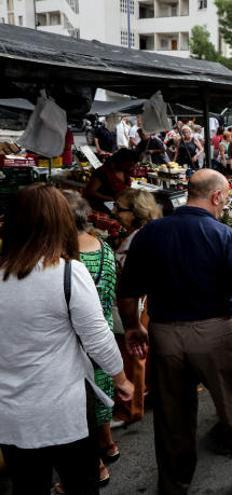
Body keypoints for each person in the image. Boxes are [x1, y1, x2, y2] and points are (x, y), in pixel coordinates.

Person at [118, 169, 232, 495]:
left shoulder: (149, 233)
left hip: (165, 333)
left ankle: (175, 485)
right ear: (216, 196)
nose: (225, 203)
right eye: (225, 198)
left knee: (173, 417)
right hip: (215, 333)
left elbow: (127, 292)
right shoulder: (222, 235)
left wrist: (132, 328)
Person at [0, 184, 133, 495]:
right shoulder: (67, 272)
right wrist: (122, 379)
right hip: (62, 410)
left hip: (10, 411)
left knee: (28, 485)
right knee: (80, 483)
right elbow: (98, 337)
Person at [63, 190, 121, 487]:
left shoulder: (65, 257)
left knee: (84, 402)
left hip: (78, 339)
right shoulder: (104, 247)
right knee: (103, 390)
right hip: (105, 330)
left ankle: (95, 463)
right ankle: (109, 443)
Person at [112, 188, 161, 424]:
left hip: (139, 304)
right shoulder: (145, 233)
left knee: (134, 355)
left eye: (119, 208)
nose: (115, 212)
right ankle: (141, 398)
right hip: (143, 303)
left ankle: (131, 407)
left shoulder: (139, 239)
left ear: (135, 212)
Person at [83, 148, 138, 213]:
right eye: (129, 165)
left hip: (119, 205)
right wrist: (109, 198)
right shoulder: (102, 172)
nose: (131, 168)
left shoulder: (125, 171)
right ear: (120, 161)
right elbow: (90, 191)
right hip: (101, 207)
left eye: (132, 165)